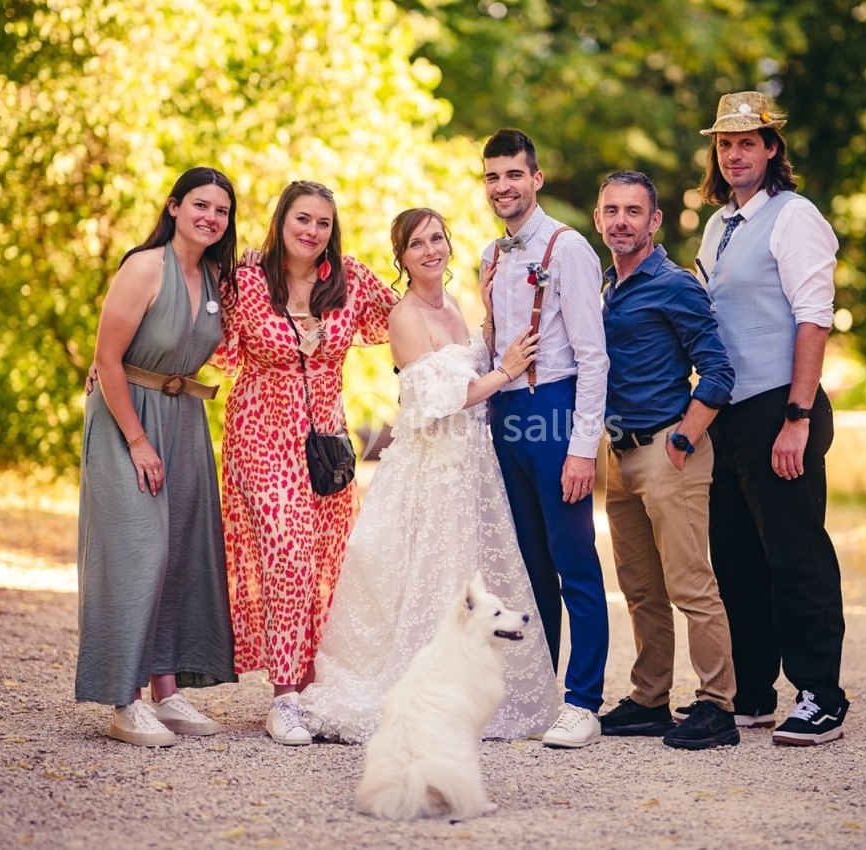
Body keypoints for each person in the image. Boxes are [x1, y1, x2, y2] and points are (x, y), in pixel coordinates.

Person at [300, 208, 559, 743]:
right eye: (417, 244)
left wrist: (488, 318)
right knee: (429, 575)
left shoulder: (456, 306)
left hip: (471, 465)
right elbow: (437, 401)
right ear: (402, 257)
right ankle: (423, 694)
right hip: (430, 468)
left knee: (470, 570)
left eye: (438, 238)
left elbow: (468, 364)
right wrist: (507, 370)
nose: (430, 250)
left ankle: (470, 691)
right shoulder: (405, 316)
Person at [219, 180, 397, 746]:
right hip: (259, 434)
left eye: (322, 222)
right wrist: (113, 360)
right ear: (281, 220)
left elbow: (406, 315)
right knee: (286, 554)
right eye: (302, 218)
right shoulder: (247, 279)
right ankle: (285, 697)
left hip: (326, 444)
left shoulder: (350, 280)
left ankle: (316, 687)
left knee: (327, 562)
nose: (311, 231)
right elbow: (211, 343)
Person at [695, 91, 849, 746]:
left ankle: (821, 694)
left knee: (795, 553)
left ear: (771, 149)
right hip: (729, 414)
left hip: (781, 405)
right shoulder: (715, 226)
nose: (735, 154)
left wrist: (798, 415)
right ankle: (752, 692)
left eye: (747, 143)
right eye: (725, 144)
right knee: (736, 558)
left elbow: (813, 318)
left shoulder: (794, 217)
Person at [76, 166, 239, 747]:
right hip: (129, 416)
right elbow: (108, 357)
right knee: (138, 551)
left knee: (179, 552)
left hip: (185, 418)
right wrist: (137, 441)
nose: (210, 218)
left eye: (220, 210)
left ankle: (167, 695)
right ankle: (125, 702)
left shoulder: (222, 277)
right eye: (200, 205)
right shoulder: (145, 267)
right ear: (173, 207)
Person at [593, 170, 740, 750]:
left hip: (667, 451)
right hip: (619, 455)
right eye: (612, 211)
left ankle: (717, 705)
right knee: (640, 587)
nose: (621, 221)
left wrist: (682, 440)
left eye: (634, 211)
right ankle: (651, 698)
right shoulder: (606, 285)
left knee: (690, 583)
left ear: (654, 221)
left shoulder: (674, 284)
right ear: (600, 218)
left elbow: (719, 372)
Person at [480, 129, 610, 748]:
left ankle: (583, 701)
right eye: (492, 177)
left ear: (536, 179)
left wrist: (582, 447)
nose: (503, 187)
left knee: (574, 563)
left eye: (513, 175)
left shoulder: (569, 248)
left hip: (554, 413)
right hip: (505, 415)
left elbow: (593, 357)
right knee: (526, 568)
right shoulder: (487, 255)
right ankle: (538, 695)